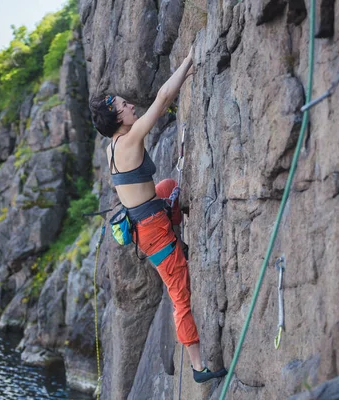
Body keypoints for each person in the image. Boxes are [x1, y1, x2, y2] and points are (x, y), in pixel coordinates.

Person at [89, 44, 227, 383]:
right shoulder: (132, 138)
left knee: (165, 186)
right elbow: (164, 97)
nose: (131, 105)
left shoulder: (112, 148)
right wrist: (190, 59)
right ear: (118, 118)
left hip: (146, 220)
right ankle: (198, 368)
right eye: (124, 105)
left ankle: (176, 228)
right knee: (180, 296)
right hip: (153, 232)